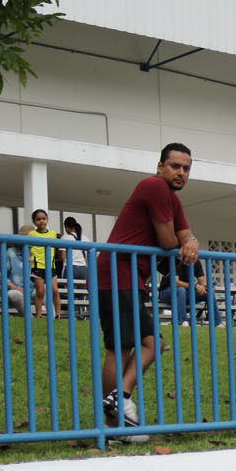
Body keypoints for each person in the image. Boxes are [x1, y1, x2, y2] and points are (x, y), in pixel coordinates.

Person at [95, 142, 200, 434]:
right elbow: (169, 240)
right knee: (120, 347)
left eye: (186, 168)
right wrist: (186, 242)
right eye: (175, 166)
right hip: (117, 271)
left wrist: (192, 241)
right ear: (160, 167)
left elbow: (184, 233)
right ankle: (111, 427)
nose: (181, 172)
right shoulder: (154, 187)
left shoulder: (171, 198)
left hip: (131, 274)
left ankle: (120, 402)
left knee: (154, 343)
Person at [28, 208, 63, 318]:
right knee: (40, 291)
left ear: (47, 220)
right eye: (38, 219)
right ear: (34, 222)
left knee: (55, 291)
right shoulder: (32, 234)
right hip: (38, 266)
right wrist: (29, 257)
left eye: (43, 218)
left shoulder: (53, 234)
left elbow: (57, 249)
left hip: (50, 266)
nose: (41, 221)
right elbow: (28, 248)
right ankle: (39, 315)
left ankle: (58, 314)